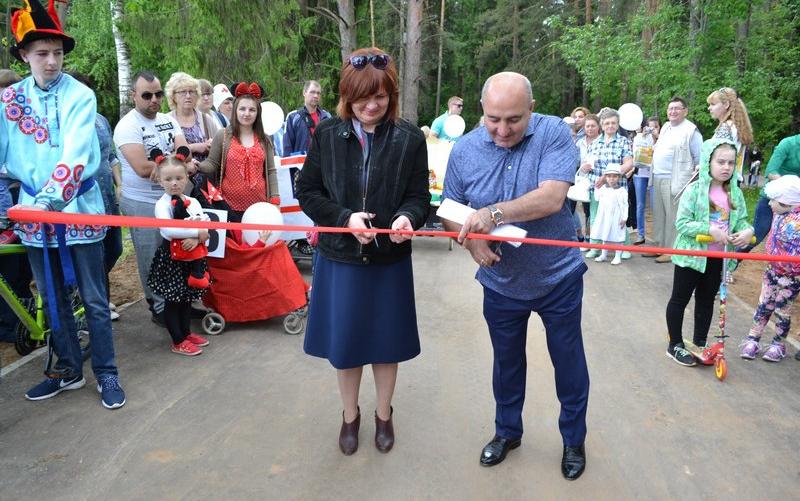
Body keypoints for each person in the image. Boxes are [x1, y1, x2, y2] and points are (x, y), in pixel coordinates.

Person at [441, 71, 589, 480]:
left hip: (558, 278)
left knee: (568, 361)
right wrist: (471, 243)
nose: (502, 130)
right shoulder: (465, 149)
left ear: (532, 110)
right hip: (502, 283)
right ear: (481, 112)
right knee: (507, 364)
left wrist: (493, 213)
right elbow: (450, 211)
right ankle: (507, 432)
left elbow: (552, 196)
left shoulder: (555, 134)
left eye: (513, 120)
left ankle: (573, 440)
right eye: (493, 119)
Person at [295, 47, 430, 456]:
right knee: (348, 344)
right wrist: (344, 217)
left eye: (381, 97)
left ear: (391, 94)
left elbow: (419, 198)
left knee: (386, 344)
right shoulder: (327, 135)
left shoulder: (408, 138)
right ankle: (350, 415)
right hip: (341, 260)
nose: (371, 105)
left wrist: (408, 218)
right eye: (362, 98)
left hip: (389, 262)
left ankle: (384, 414)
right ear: (346, 96)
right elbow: (308, 191)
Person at [1, 0, 125, 408]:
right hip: (33, 213)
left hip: (79, 208)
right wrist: (30, 203)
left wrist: (52, 198)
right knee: (51, 296)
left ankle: (107, 374)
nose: (51, 61)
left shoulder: (81, 96)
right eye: (41, 53)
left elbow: (75, 152)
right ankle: (67, 370)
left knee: (92, 297)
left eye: (57, 53)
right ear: (24, 55)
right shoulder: (8, 102)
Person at [664, 138, 753, 366]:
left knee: (706, 301)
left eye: (731, 163)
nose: (726, 167)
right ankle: (674, 344)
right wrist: (708, 229)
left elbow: (741, 220)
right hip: (691, 257)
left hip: (717, 258)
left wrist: (746, 231)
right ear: (707, 162)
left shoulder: (735, 193)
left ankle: (699, 344)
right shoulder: (694, 191)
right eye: (721, 162)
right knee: (680, 299)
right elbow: (682, 223)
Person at [115, 70, 191, 326]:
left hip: (173, 199)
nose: (154, 99)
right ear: (133, 95)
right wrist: (175, 165)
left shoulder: (169, 120)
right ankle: (158, 308)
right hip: (142, 201)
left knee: (178, 250)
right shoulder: (127, 125)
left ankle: (179, 302)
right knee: (151, 256)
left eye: (158, 94)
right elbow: (143, 168)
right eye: (147, 95)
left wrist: (171, 164)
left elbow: (186, 153)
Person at [147, 148, 211, 356]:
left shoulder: (192, 202)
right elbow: (169, 229)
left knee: (186, 298)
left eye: (178, 178)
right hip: (172, 259)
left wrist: (197, 235)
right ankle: (177, 340)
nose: (174, 183)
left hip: (191, 258)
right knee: (173, 300)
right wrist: (198, 231)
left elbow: (205, 221)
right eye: (168, 179)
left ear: (186, 178)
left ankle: (186, 333)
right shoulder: (162, 205)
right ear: (160, 181)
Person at [739, 175, 800, 362]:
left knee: (783, 310)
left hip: (792, 276)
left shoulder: (796, 221)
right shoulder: (778, 213)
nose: (770, 204)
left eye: (775, 201)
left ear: (787, 203)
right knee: (764, 305)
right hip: (772, 270)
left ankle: (778, 344)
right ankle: (752, 339)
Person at [198, 82, 279, 222]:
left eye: (252, 110)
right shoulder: (223, 135)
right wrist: (197, 166)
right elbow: (212, 163)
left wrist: (275, 200)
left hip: (260, 208)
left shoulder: (264, 139)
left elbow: (271, 171)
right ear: (235, 110)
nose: (246, 114)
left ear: (258, 112)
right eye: (242, 109)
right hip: (228, 207)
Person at [644, 97, 703, 262]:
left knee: (673, 216)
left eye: (677, 108)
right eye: (670, 108)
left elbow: (699, 158)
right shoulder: (665, 127)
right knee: (659, 214)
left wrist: (694, 180)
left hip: (676, 179)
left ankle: (671, 250)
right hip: (658, 176)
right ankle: (658, 245)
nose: (673, 111)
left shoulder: (691, 131)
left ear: (685, 111)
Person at [581, 108, 634, 259]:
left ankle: (624, 248)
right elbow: (587, 163)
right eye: (607, 123)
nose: (610, 126)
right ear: (602, 125)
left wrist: (609, 176)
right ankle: (596, 247)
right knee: (596, 217)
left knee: (618, 217)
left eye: (613, 123)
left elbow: (629, 163)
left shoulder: (624, 141)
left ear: (618, 125)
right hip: (596, 187)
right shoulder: (595, 143)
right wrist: (585, 166)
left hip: (617, 188)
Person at [742, 133, 800, 251]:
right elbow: (770, 171)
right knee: (757, 236)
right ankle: (729, 264)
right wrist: (790, 187)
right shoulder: (788, 144)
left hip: (796, 203)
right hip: (773, 200)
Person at [707, 87, 753, 182]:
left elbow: (719, 156)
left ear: (726, 105)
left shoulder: (726, 128)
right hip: (733, 178)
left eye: (713, 104)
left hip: (723, 181)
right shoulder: (735, 126)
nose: (709, 108)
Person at [282, 80, 331, 156]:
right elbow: (287, 148)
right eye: (312, 92)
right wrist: (293, 167)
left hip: (323, 165)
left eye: (318, 93)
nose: (316, 96)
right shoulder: (293, 117)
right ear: (304, 93)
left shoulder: (326, 117)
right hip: (301, 166)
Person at [591, 164, 628, 264]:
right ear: (605, 177)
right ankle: (603, 254)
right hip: (605, 216)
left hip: (617, 217)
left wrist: (624, 218)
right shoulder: (603, 188)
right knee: (605, 234)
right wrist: (596, 187)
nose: (612, 179)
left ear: (619, 177)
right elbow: (597, 198)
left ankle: (617, 256)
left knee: (618, 236)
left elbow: (625, 205)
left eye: (615, 176)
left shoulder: (622, 191)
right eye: (609, 176)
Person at [631, 117, 659, 245]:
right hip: (640, 173)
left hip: (655, 174)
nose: (651, 129)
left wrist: (656, 137)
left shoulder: (662, 139)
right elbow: (635, 155)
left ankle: (657, 236)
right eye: (649, 126)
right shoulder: (638, 138)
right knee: (640, 205)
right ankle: (640, 234)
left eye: (655, 126)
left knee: (655, 206)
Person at [575, 113, 600, 245]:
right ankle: (584, 236)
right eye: (587, 126)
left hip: (597, 180)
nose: (590, 129)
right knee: (582, 209)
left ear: (598, 127)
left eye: (592, 126)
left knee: (592, 211)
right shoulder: (580, 142)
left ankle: (593, 238)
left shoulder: (601, 141)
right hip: (582, 181)